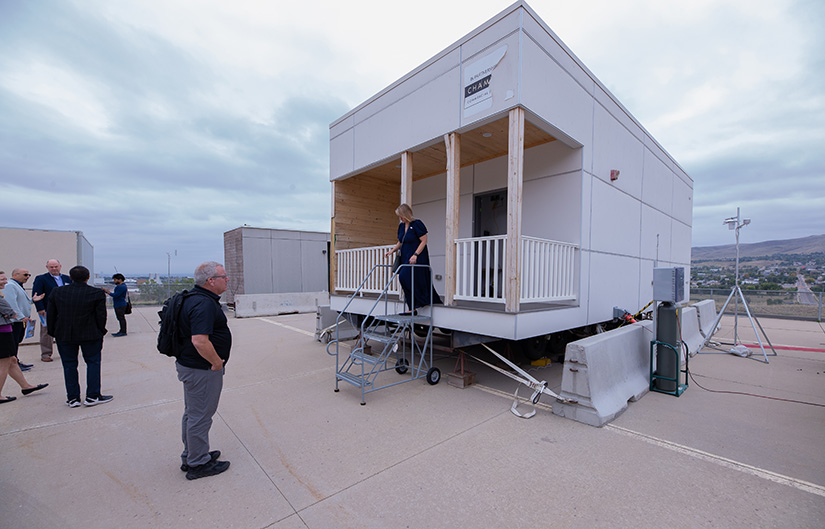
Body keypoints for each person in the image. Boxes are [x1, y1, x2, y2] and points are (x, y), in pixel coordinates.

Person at [176, 261, 232, 480]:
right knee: (200, 416)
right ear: (211, 281)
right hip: (202, 369)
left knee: (193, 413)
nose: (227, 280)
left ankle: (192, 455)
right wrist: (216, 362)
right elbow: (200, 341)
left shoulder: (192, 298)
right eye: (223, 277)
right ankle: (198, 464)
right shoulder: (204, 304)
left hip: (191, 366)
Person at [47, 265, 111, 408]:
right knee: (93, 363)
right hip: (90, 334)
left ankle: (73, 398)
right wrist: (101, 331)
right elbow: (101, 316)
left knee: (69, 365)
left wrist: (53, 332)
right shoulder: (96, 293)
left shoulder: (57, 292)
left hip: (64, 334)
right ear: (88, 278)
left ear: (70, 278)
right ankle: (92, 396)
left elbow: (51, 314)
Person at [0, 271, 49, 403]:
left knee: (12, 360)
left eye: (5, 278)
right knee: (3, 363)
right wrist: (13, 315)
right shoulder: (5, 293)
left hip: (6, 330)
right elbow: (11, 311)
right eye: (2, 279)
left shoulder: (5, 291)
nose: (5, 281)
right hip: (2, 333)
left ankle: (25, 386)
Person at [385, 204, 442, 314]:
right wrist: (392, 251)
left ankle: (422, 301)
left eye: (401, 216)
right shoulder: (401, 226)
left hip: (417, 257)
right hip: (406, 257)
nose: (400, 218)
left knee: (405, 277)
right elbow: (401, 241)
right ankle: (412, 308)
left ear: (405, 214)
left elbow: (424, 241)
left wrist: (415, 254)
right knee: (406, 280)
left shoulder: (417, 224)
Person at [4, 268, 44, 371]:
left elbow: (20, 301)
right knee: (13, 342)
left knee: (16, 341)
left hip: (19, 320)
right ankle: (14, 364)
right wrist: (21, 317)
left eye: (29, 275)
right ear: (15, 275)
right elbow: (12, 304)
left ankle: (15, 361)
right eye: (25, 275)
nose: (28, 277)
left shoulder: (17, 285)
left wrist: (32, 300)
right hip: (16, 321)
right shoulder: (10, 286)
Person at [32, 259, 72, 362]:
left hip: (65, 310)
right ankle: (46, 354)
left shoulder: (67, 278)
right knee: (46, 332)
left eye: (56, 266)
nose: (54, 269)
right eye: (51, 267)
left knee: (65, 331)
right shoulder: (41, 279)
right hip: (48, 310)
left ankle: (66, 352)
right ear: (47, 268)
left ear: (60, 266)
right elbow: (37, 294)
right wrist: (40, 308)